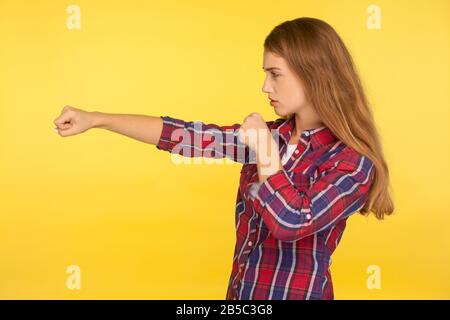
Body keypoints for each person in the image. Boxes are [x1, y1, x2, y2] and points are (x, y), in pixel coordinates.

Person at [53, 17, 394, 300]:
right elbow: (184, 137)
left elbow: (293, 221)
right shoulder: (271, 136)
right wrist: (97, 119)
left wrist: (263, 150)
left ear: (313, 75)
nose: (265, 86)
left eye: (275, 74)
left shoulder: (351, 161)